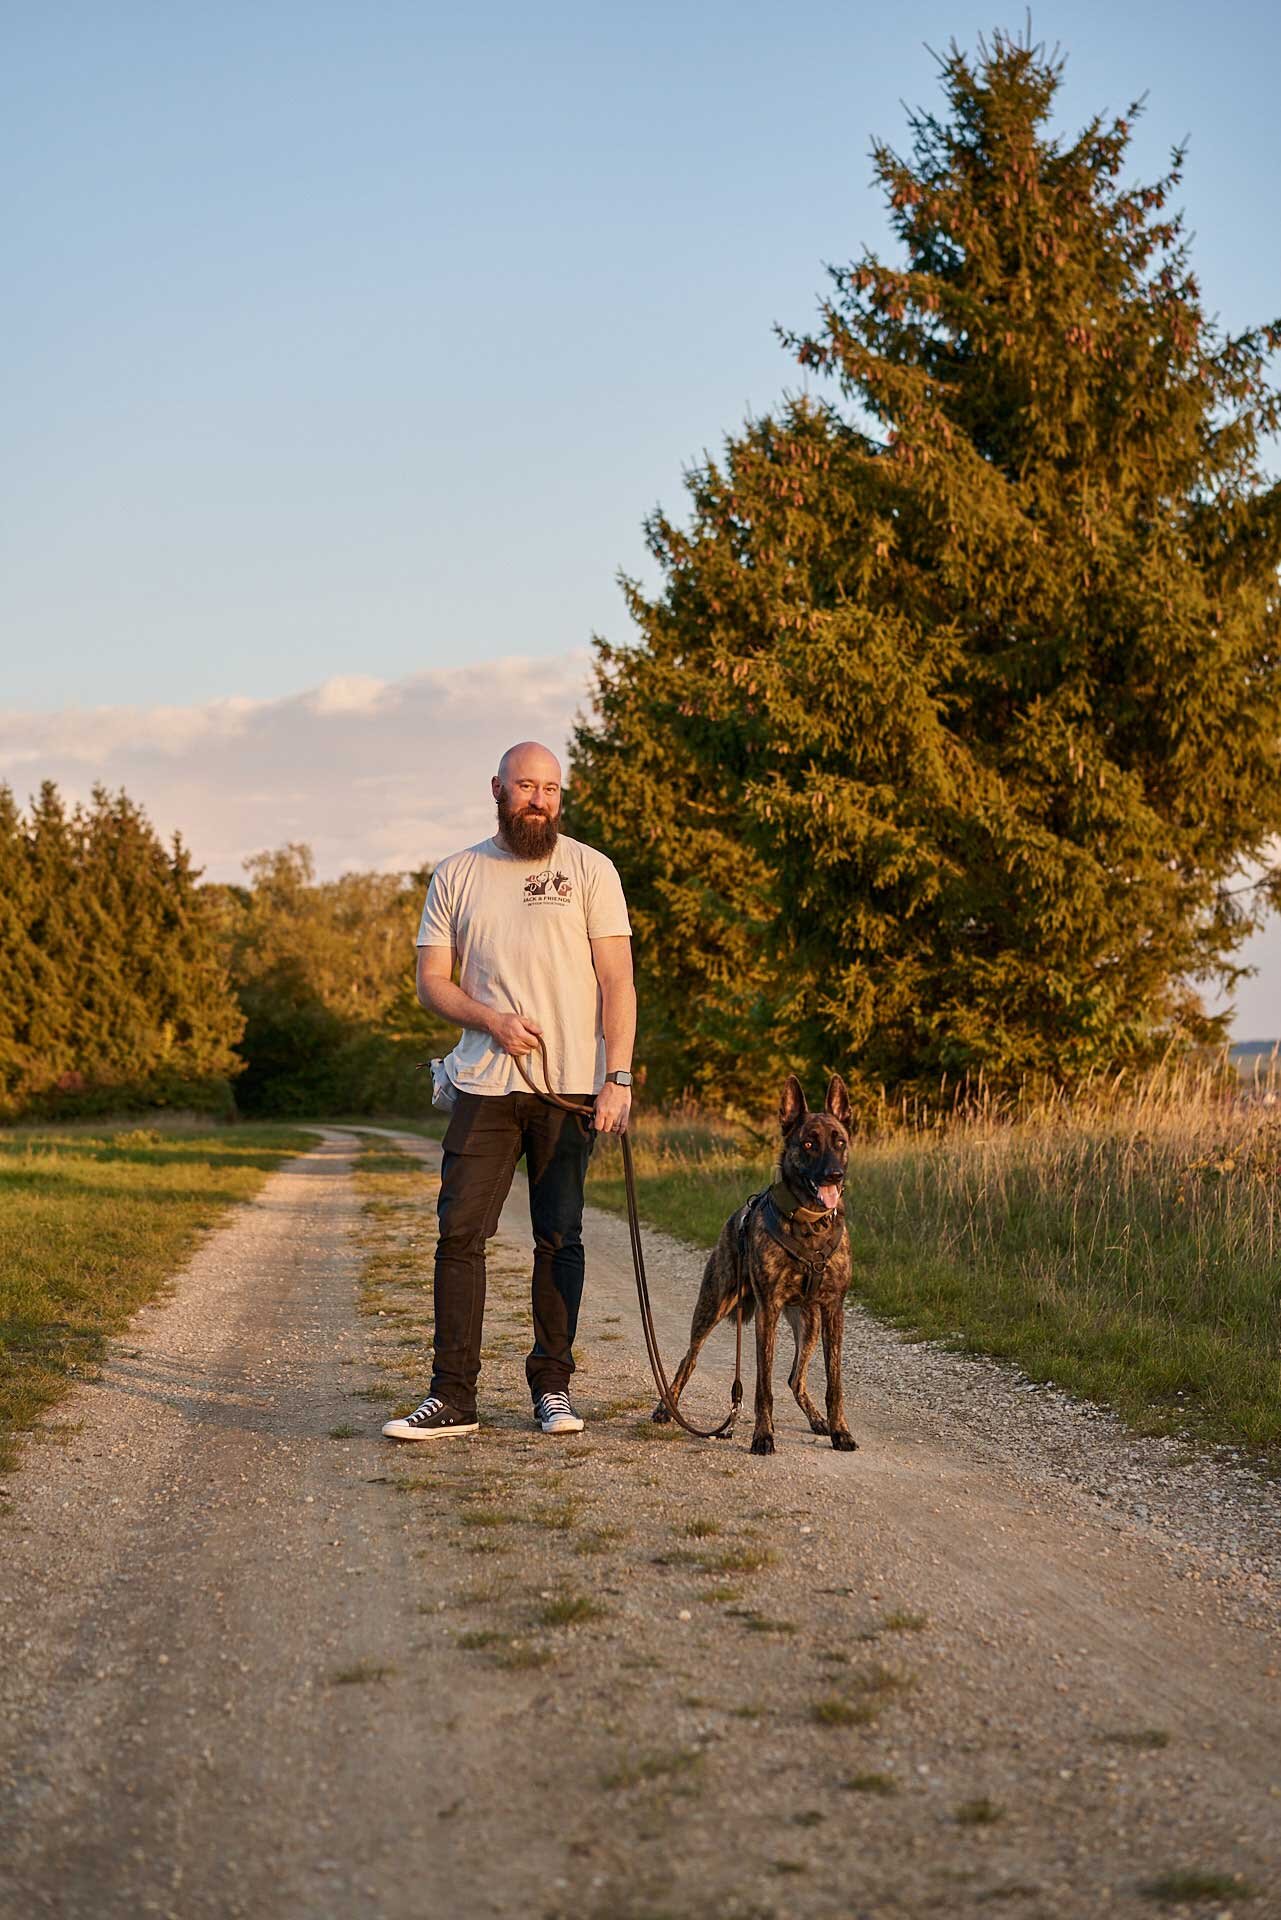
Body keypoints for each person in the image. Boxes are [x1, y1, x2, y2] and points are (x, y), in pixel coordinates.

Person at [382, 740, 635, 1441]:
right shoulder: (457, 873)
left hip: (571, 1089)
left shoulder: (590, 869)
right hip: (484, 1084)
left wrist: (618, 1078)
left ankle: (552, 1388)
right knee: (459, 1235)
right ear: (496, 788)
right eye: (525, 785)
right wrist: (489, 1018)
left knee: (561, 1236)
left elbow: (618, 980)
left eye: (550, 789)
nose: (538, 799)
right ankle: (451, 1397)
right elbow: (432, 981)